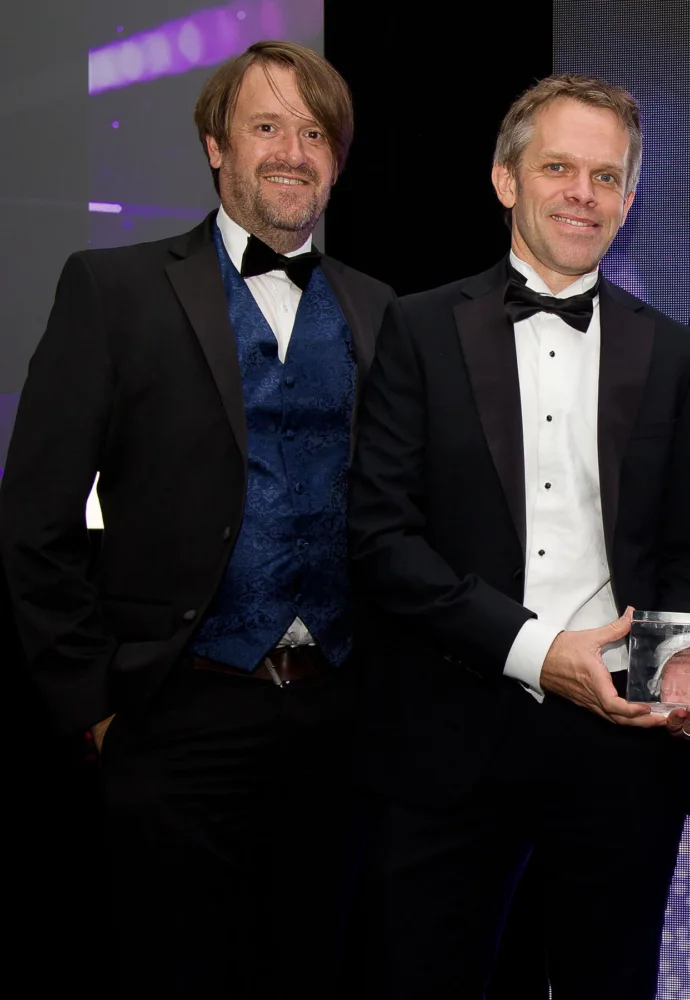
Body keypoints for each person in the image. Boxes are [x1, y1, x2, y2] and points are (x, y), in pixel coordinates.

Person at [343, 73, 690, 999]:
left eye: (607, 176)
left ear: (629, 196)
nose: (584, 193)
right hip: (449, 739)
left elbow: (683, 546)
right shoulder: (415, 329)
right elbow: (381, 541)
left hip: (620, 750)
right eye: (560, 167)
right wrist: (538, 653)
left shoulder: (678, 352)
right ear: (506, 179)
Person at [0, 40, 394, 999]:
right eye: (267, 126)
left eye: (315, 133)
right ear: (216, 145)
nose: (293, 152)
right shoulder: (114, 289)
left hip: (341, 721)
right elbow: (35, 516)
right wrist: (93, 708)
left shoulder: (384, 310)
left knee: (315, 969)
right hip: (178, 712)